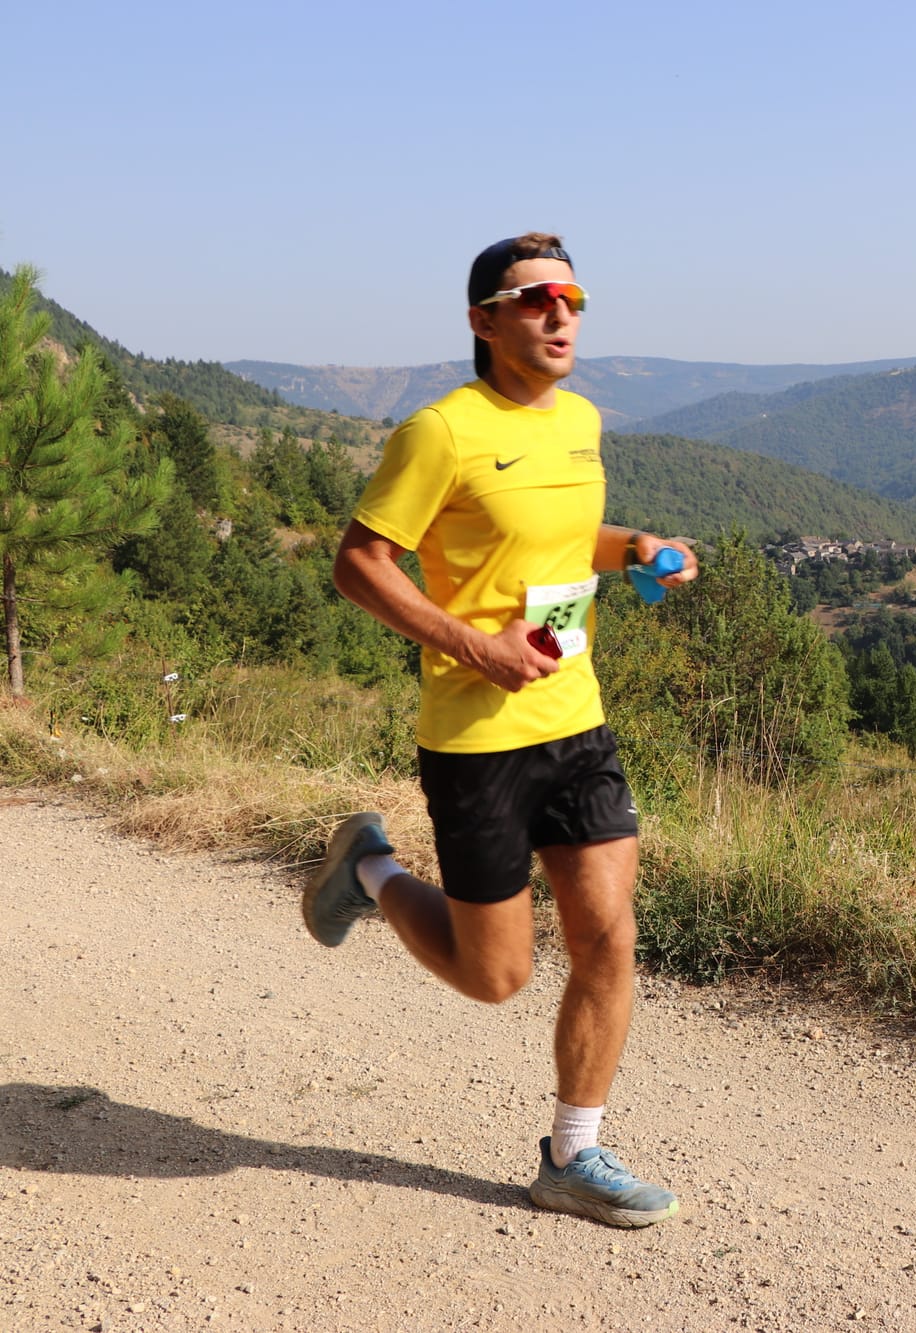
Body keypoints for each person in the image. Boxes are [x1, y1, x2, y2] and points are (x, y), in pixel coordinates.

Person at [302, 232, 697, 1228]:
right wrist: (470, 645)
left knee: (608, 934)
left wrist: (638, 546)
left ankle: (574, 1154)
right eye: (534, 300)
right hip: (478, 738)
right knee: (496, 975)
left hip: (577, 719)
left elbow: (567, 543)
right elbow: (360, 563)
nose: (559, 315)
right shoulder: (441, 431)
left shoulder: (582, 422)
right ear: (483, 321)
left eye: (570, 298)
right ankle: (369, 871)